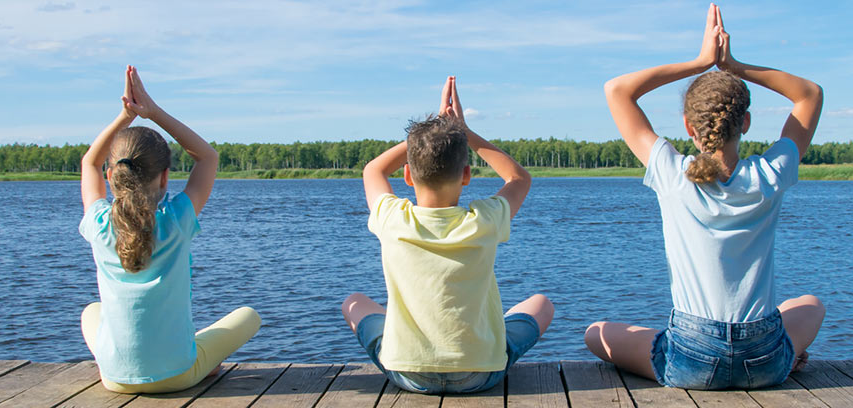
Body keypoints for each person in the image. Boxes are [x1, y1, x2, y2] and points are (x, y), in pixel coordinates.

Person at [584, 4, 826, 390]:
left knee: (595, 333)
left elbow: (617, 90)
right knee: (812, 304)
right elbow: (810, 94)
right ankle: (786, 354)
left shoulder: (672, 174)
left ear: (688, 126)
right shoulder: (770, 174)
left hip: (692, 358)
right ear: (745, 122)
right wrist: (733, 65)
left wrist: (701, 62)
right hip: (762, 358)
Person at [341, 76, 554, 394]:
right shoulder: (485, 219)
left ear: (408, 175)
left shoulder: (391, 218)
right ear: (467, 175)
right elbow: (518, 177)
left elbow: (373, 170)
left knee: (354, 302)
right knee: (542, 304)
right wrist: (463, 132)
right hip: (479, 374)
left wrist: (432, 133)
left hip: (408, 374)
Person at [79, 65, 260, 393]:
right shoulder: (176, 219)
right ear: (165, 177)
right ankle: (200, 359)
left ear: (111, 176)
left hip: (114, 379)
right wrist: (152, 111)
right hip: (178, 374)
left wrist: (125, 116)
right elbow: (207, 157)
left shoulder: (100, 224)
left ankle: (134, 358)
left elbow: (89, 162)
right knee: (249, 317)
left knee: (92, 311)